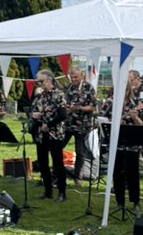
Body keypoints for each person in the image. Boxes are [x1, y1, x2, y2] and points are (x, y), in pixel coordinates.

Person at [31, 69, 69, 201]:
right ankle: (48, 191)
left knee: (58, 163)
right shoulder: (39, 96)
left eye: (41, 81)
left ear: (49, 80)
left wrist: (49, 125)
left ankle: (62, 192)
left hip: (54, 134)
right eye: (37, 81)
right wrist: (33, 115)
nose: (39, 84)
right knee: (43, 163)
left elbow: (63, 114)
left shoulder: (59, 95)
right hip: (41, 134)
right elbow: (33, 111)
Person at [113, 70, 143, 212]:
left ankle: (135, 202)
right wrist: (114, 122)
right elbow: (103, 118)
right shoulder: (113, 103)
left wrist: (134, 118)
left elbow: (142, 125)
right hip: (117, 142)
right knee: (117, 172)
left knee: (132, 173)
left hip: (132, 142)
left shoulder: (137, 103)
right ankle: (119, 201)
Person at [64, 64, 97, 186]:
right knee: (57, 147)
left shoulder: (89, 87)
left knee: (80, 152)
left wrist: (79, 108)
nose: (73, 80)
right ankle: (56, 174)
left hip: (82, 125)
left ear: (82, 75)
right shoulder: (68, 88)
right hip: (68, 124)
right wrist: (67, 109)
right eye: (72, 77)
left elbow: (93, 107)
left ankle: (78, 178)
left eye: (76, 77)